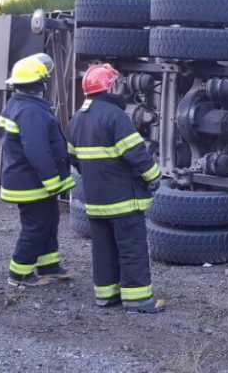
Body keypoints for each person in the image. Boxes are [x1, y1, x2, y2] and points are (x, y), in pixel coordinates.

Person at [68, 63, 164, 314]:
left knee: (103, 248)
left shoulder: (77, 118)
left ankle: (106, 296)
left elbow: (73, 158)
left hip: (95, 200)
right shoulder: (115, 116)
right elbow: (136, 153)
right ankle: (138, 299)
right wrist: (154, 176)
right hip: (123, 198)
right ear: (110, 87)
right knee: (132, 247)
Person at [0, 53, 75, 287]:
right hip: (32, 183)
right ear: (40, 83)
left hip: (29, 180)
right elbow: (37, 150)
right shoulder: (31, 111)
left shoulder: (19, 105)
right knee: (36, 227)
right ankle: (19, 275)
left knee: (49, 222)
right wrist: (53, 181)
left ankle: (49, 266)